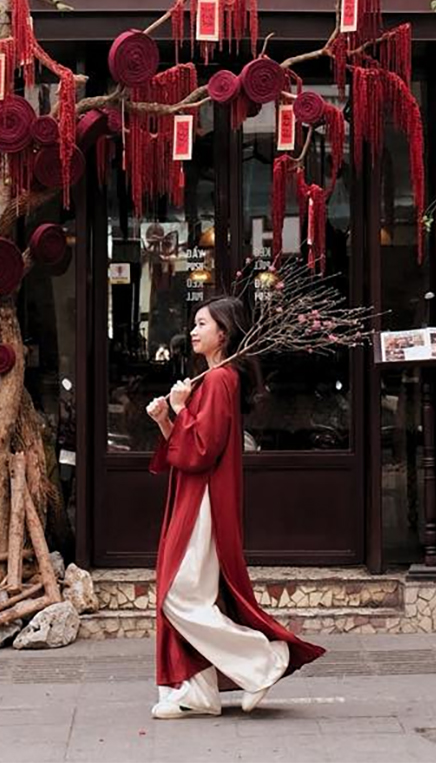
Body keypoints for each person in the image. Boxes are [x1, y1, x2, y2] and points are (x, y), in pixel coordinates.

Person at [144, 297, 325, 720]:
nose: (193, 331)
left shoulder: (219, 380)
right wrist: (166, 420)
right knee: (192, 593)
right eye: (194, 324)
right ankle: (199, 692)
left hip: (202, 498)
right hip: (197, 493)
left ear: (223, 333)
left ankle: (262, 661)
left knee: (179, 594)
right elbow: (189, 444)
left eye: (201, 324)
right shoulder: (214, 379)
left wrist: (179, 409)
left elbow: (201, 451)